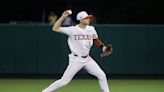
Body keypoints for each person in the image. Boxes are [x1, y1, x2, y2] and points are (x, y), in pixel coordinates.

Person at [42, 10, 110, 92]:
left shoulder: (91, 29)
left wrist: (102, 47)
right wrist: (62, 17)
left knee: (102, 75)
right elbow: (55, 28)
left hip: (87, 59)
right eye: (86, 18)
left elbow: (95, 38)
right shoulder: (72, 30)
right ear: (81, 20)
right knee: (64, 81)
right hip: (76, 59)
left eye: (89, 18)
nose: (89, 19)